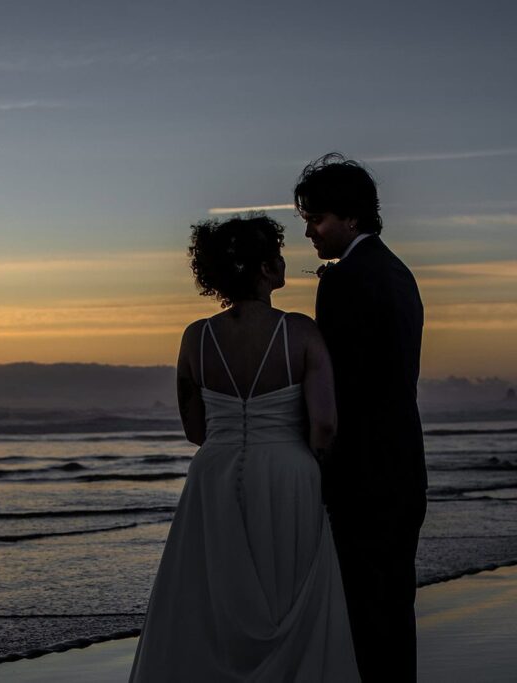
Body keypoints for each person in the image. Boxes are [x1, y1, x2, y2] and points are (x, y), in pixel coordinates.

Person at [128, 215, 360, 682]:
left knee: (214, 601)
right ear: (262, 270)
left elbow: (195, 429)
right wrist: (311, 458)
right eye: (275, 256)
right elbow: (325, 423)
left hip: (214, 475)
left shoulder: (197, 336)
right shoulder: (301, 331)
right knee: (287, 593)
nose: (282, 262)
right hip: (288, 472)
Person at [295, 153, 427, 681]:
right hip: (402, 467)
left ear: (350, 217)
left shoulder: (346, 280)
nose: (309, 232)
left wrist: (319, 456)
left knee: (366, 615)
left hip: (363, 476)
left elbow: (340, 387)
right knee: (393, 610)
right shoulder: (397, 271)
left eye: (316, 219)